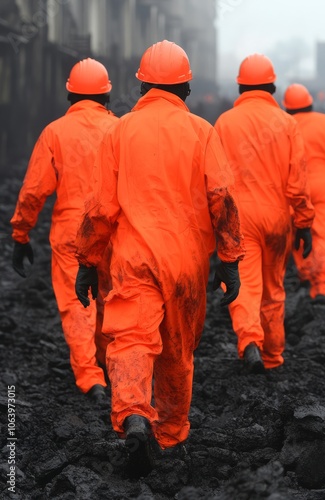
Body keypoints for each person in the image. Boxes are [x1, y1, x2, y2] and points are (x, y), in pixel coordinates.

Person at [74, 40, 245, 475]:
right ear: (186, 87)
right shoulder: (202, 131)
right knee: (177, 350)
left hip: (133, 260)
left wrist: (87, 261)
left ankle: (133, 412)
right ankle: (169, 437)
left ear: (142, 85)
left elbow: (99, 209)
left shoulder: (119, 131)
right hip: (186, 263)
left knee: (130, 337)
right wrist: (230, 259)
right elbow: (221, 199)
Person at [10, 58, 119, 403]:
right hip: (114, 231)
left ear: (69, 94)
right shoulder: (120, 129)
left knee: (77, 305)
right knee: (111, 299)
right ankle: (112, 365)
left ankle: (91, 378)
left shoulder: (54, 132)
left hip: (71, 233)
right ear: (107, 94)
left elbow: (33, 191)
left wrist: (21, 235)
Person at [214, 54, 315, 374]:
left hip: (239, 219)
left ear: (241, 86)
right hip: (277, 218)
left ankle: (249, 339)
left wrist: (212, 227)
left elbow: (214, 182)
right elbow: (298, 181)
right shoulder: (287, 123)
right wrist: (304, 224)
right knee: (274, 288)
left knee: (244, 283)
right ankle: (273, 355)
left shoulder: (225, 123)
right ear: (272, 86)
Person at [282, 83, 325, 303]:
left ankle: (305, 273)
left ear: (286, 108)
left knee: (298, 232)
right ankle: (322, 285)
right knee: (324, 236)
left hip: (294, 189)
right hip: (324, 187)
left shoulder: (282, 127)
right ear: (311, 104)